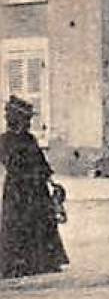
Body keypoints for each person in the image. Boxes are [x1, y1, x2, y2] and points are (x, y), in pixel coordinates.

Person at [1, 96, 68, 279]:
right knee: (18, 224)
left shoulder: (29, 139)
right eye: (26, 119)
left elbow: (41, 163)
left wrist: (51, 182)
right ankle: (17, 263)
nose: (28, 123)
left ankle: (43, 261)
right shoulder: (5, 141)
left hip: (36, 188)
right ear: (15, 119)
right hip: (18, 189)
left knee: (40, 223)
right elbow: (11, 163)